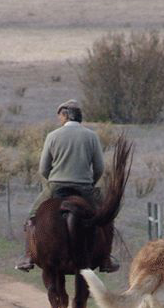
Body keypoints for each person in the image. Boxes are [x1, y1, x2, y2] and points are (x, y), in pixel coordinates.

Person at [15, 99, 119, 273]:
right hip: (84, 188)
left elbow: (43, 168)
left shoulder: (53, 136)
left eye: (60, 116)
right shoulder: (91, 136)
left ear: (65, 115)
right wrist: (90, 182)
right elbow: (99, 167)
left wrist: (52, 180)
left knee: (32, 217)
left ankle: (28, 256)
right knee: (106, 218)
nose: (59, 119)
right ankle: (106, 259)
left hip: (56, 186)